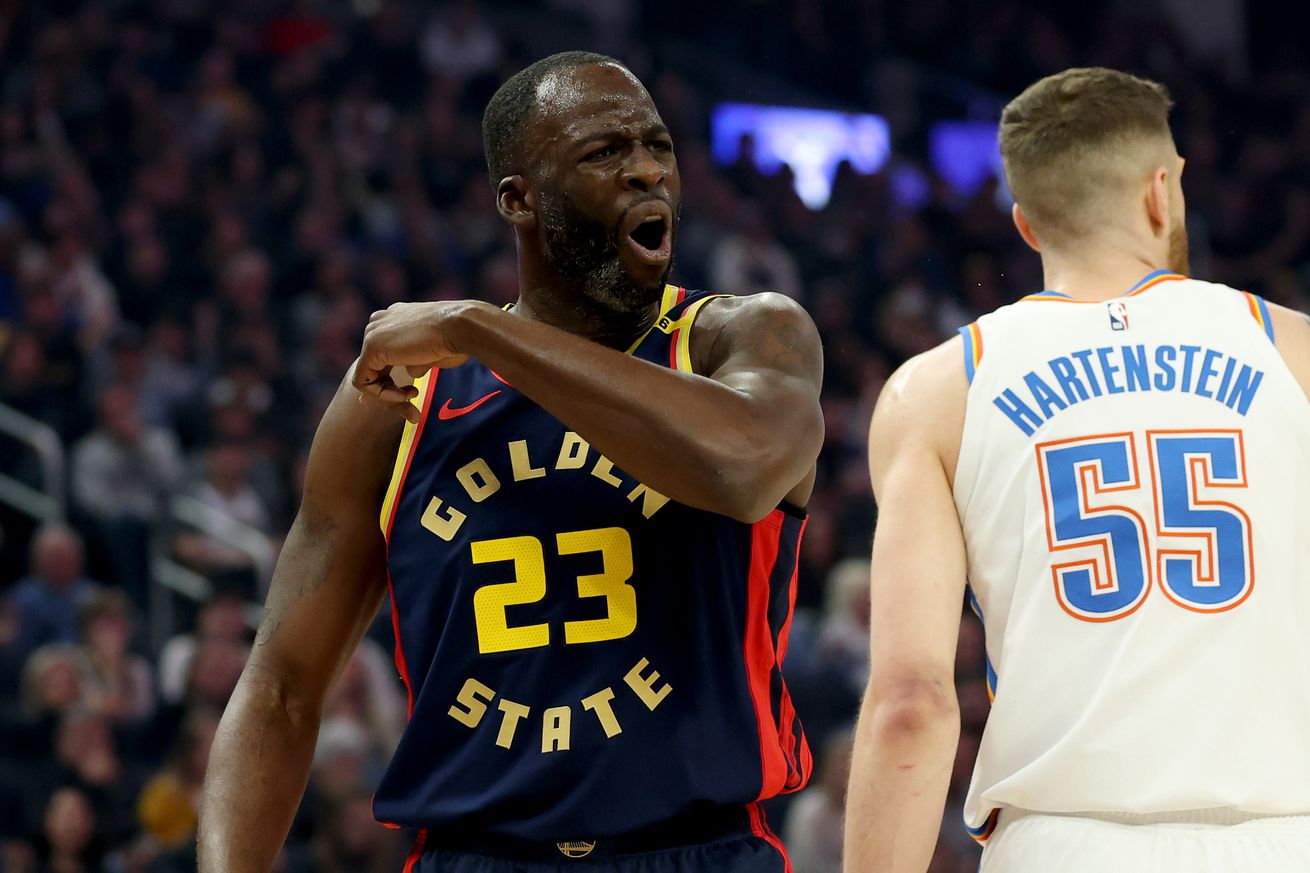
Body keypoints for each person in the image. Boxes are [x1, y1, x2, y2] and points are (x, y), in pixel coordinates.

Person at [201, 51, 824, 873]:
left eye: (658, 147)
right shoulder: (401, 401)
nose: (645, 171)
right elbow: (280, 685)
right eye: (604, 153)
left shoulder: (736, 337)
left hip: (697, 848)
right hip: (476, 855)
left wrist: (475, 329)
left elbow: (743, 467)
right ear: (518, 199)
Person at [844, 67, 1310, 872]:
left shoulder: (937, 391)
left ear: (1025, 224)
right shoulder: (1295, 352)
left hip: (1061, 842)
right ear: (1162, 192)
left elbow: (912, 702)